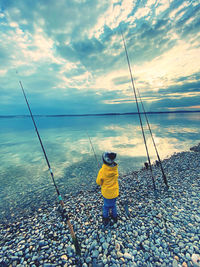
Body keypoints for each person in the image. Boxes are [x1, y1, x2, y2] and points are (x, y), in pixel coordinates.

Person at [96, 151, 119, 226]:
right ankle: (115, 217)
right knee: (113, 205)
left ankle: (105, 218)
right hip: (115, 192)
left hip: (106, 193)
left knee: (106, 206)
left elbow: (98, 182)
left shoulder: (102, 171)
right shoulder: (115, 169)